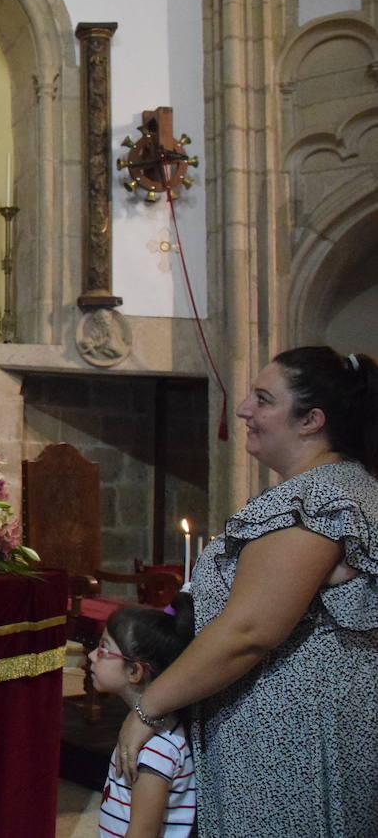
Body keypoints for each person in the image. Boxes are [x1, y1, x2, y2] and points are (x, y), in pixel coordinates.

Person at [116, 346, 378, 837]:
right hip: (322, 732)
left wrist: (147, 708)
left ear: (311, 421)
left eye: (263, 399)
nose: (243, 410)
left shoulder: (314, 500)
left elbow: (249, 631)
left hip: (291, 751)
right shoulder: (349, 486)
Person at [90, 604, 196, 838]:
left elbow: (143, 832)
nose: (91, 656)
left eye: (103, 649)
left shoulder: (155, 747)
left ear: (134, 672)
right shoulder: (152, 733)